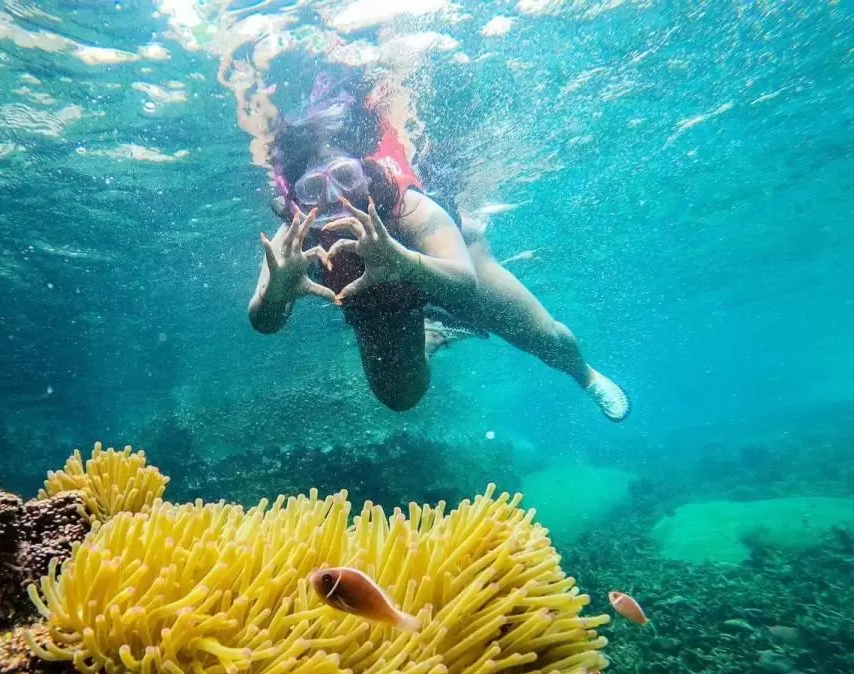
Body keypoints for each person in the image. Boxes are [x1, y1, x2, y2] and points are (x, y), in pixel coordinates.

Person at [247, 76, 630, 421]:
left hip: (447, 260)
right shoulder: (293, 236)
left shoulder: (406, 207)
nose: (335, 197)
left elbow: (464, 282)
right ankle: (431, 334)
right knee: (399, 398)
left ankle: (586, 375)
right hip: (381, 297)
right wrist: (275, 296)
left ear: (366, 172)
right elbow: (263, 323)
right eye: (313, 189)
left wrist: (402, 260)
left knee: (547, 337)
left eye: (346, 177)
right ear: (296, 197)